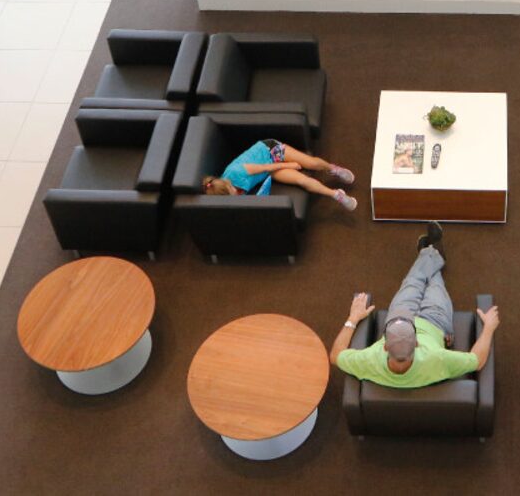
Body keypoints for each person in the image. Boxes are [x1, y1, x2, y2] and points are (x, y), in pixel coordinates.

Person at [330, 222, 499, 387]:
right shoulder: (436, 359)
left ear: (385, 347)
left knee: (412, 282)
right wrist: (489, 327)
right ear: (417, 343)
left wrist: (352, 319)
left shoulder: (370, 359)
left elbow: (336, 355)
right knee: (435, 283)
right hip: (436, 322)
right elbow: (477, 360)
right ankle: (431, 254)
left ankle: (428, 253)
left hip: (400, 311)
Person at [202, 139, 358, 211]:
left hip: (269, 152)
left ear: (228, 184)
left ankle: (333, 169)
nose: (235, 194)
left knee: (311, 163)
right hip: (267, 173)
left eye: (232, 190)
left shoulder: (237, 171)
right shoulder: (224, 194)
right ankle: (336, 195)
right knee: (302, 180)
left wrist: (289, 165)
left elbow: (266, 166)